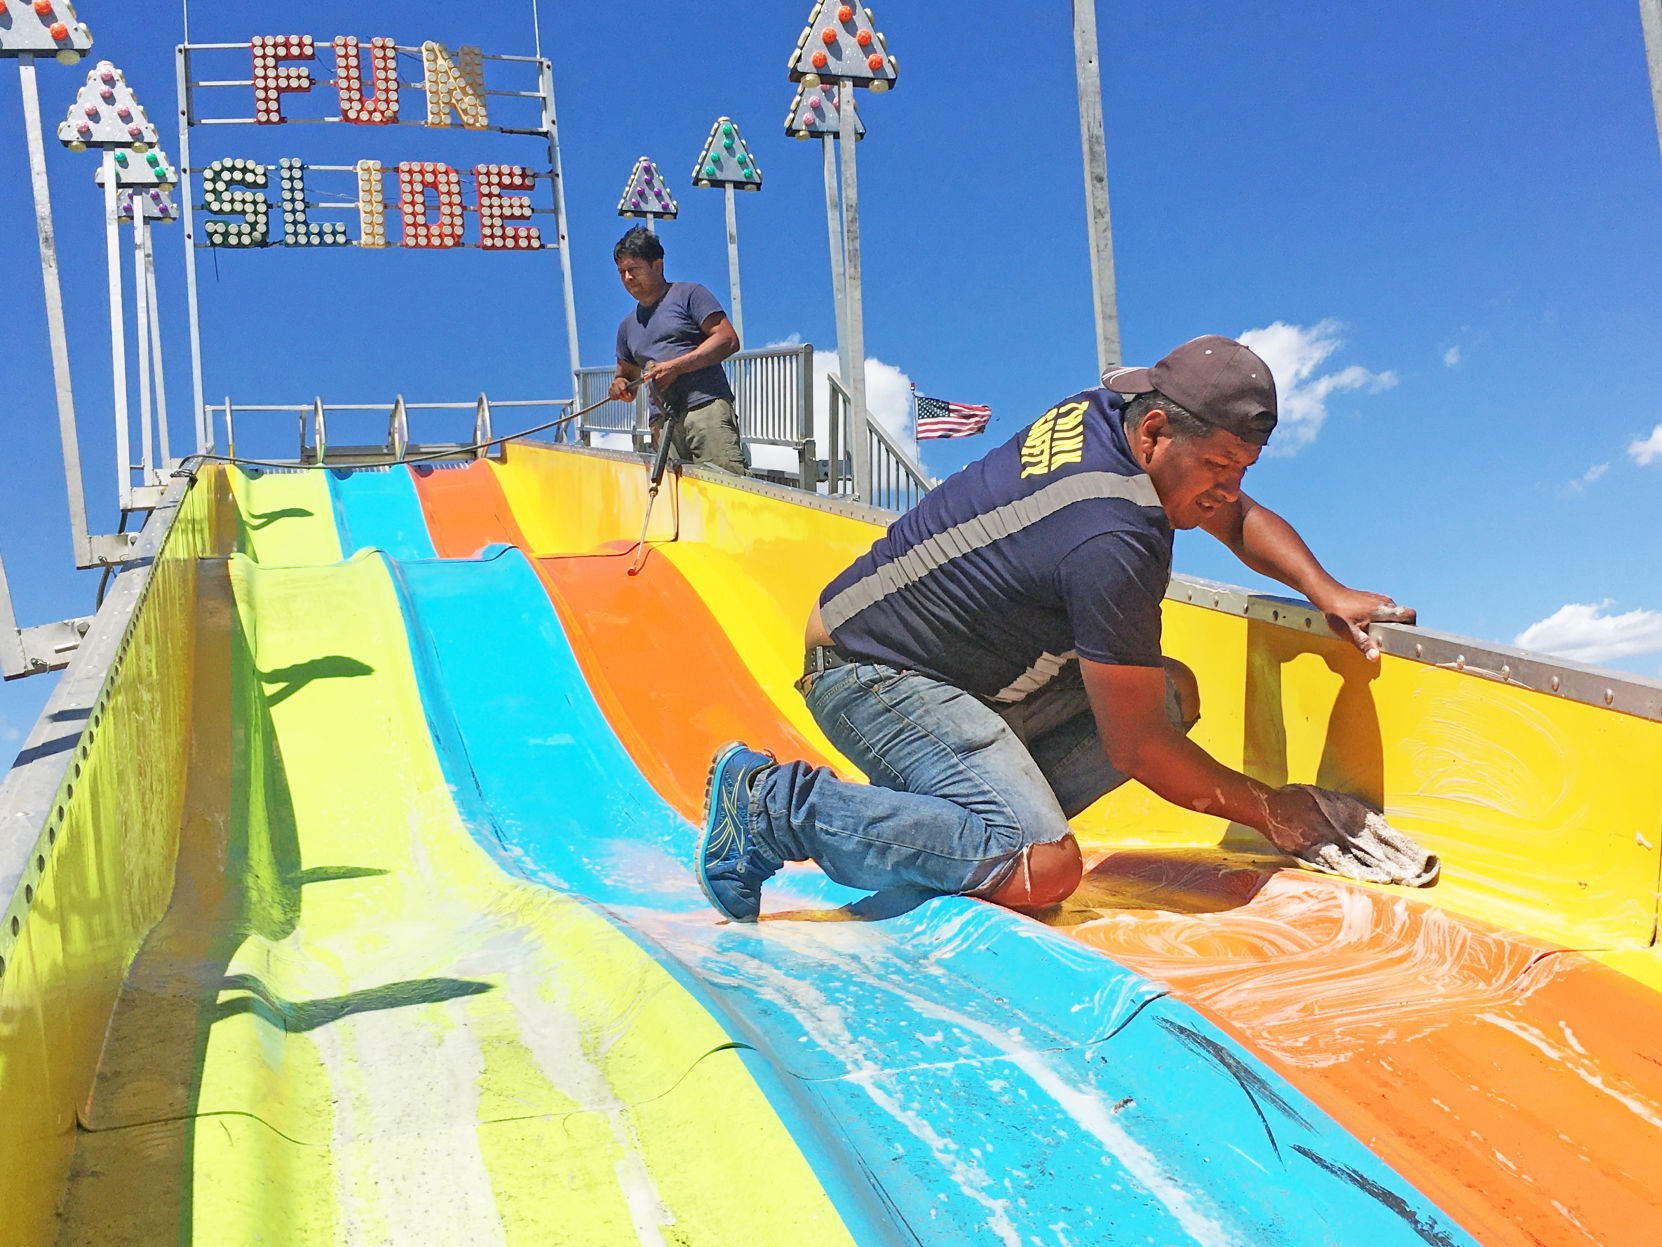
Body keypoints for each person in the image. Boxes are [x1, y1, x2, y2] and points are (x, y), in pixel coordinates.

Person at [694, 334, 1418, 923]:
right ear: (1158, 432)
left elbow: (1230, 513)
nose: (1229, 488)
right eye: (1219, 465)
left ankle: (967, 831)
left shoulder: (1117, 413)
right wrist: (1275, 811)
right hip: (869, 671)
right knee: (1045, 867)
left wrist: (1325, 590)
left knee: (1167, 692)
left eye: (1243, 467)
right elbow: (1138, 750)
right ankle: (767, 806)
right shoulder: (1110, 539)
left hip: (945, 665)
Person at [608, 227, 747, 475]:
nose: (628, 277)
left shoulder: (689, 294)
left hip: (705, 410)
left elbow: (728, 339)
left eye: (634, 269)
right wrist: (620, 385)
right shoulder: (626, 327)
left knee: (726, 492)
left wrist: (674, 368)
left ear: (657, 266)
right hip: (663, 425)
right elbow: (626, 376)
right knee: (677, 505)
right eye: (622, 272)